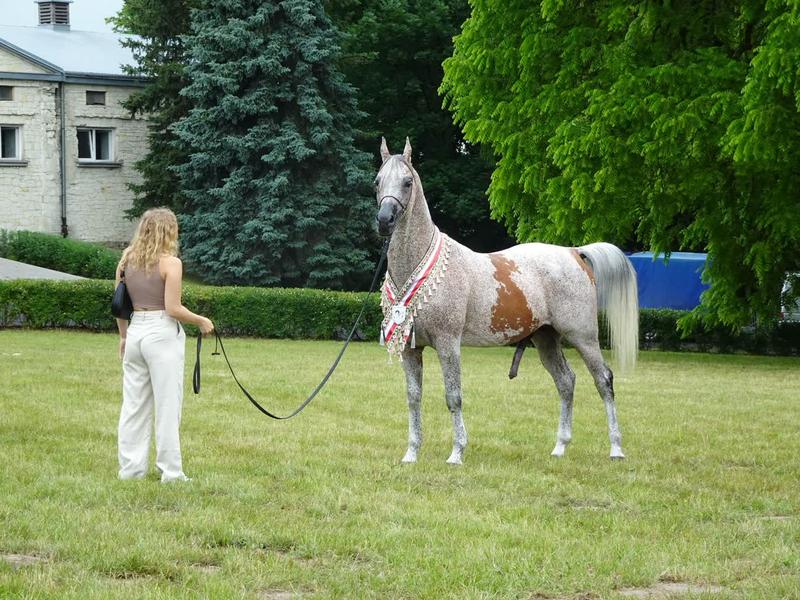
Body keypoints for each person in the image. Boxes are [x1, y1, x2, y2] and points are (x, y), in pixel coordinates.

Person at [114, 208, 214, 482]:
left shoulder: (125, 261)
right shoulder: (171, 263)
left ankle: (131, 470)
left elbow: (119, 305)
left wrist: (123, 337)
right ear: (169, 232)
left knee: (134, 405)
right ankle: (171, 472)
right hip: (161, 333)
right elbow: (173, 308)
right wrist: (201, 320)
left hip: (135, 331)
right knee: (168, 406)